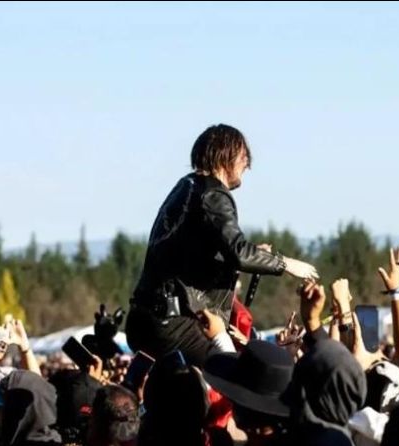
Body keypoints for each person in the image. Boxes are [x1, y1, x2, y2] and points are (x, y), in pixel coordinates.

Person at [127, 123, 318, 367]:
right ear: (224, 154)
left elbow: (195, 254)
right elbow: (239, 252)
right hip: (173, 324)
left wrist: (253, 255)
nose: (247, 164)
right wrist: (285, 263)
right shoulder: (214, 194)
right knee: (232, 377)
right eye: (243, 156)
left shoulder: (186, 187)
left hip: (145, 317)